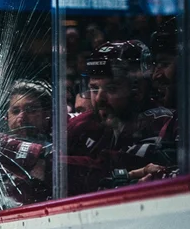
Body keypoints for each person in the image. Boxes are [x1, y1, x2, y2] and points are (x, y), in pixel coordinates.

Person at [64, 39, 174, 194]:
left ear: (138, 90)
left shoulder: (162, 124)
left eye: (111, 88)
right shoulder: (82, 126)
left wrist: (40, 158)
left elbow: (111, 166)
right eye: (94, 88)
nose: (99, 99)